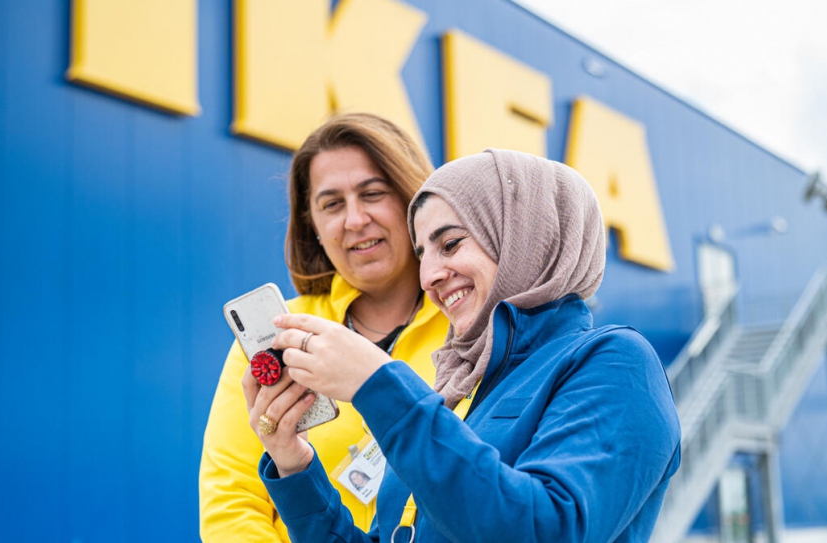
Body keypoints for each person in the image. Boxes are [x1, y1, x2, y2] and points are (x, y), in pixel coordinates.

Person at [245, 148, 682, 542]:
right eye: (423, 255)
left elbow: (547, 530)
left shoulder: (616, 362)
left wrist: (377, 383)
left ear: (525, 237)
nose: (428, 276)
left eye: (450, 244)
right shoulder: (464, 389)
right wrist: (294, 464)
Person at [199, 113, 450, 542]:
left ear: (415, 201)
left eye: (373, 193)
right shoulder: (277, 336)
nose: (354, 220)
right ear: (312, 226)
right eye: (332, 204)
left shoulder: (471, 325)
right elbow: (232, 499)